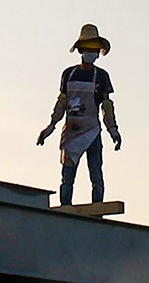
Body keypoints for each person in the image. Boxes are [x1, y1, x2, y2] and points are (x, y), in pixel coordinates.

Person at [36, 23, 122, 206]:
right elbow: (62, 102)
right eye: (87, 49)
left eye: (94, 49)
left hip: (92, 130)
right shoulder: (69, 74)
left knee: (96, 174)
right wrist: (50, 126)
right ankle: (65, 207)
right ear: (81, 50)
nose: (91, 53)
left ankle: (97, 209)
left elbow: (107, 106)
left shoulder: (102, 76)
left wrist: (113, 130)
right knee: (67, 176)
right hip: (72, 130)